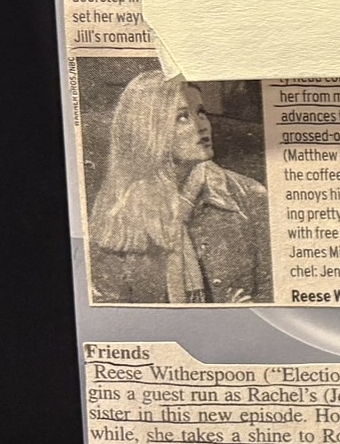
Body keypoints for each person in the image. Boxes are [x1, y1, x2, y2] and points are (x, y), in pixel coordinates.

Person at [87, 70, 271, 304]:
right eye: (182, 117)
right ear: (148, 129)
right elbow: (107, 306)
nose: (201, 125)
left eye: (201, 112)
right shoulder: (118, 208)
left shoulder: (248, 196)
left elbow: (274, 290)